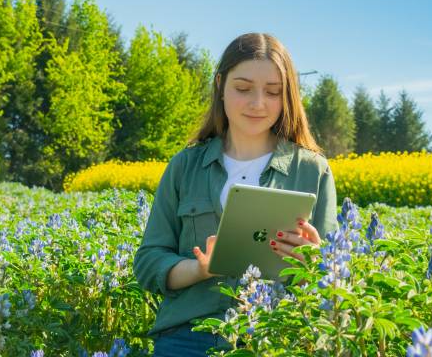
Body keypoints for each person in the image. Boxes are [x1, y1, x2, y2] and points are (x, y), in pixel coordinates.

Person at [133, 33, 338, 356]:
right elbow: (148, 262)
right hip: (190, 334)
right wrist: (201, 269)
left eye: (273, 92)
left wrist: (314, 263)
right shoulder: (185, 166)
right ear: (220, 86)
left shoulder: (312, 170)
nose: (258, 103)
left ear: (288, 98)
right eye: (243, 89)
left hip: (277, 337)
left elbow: (335, 282)